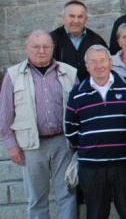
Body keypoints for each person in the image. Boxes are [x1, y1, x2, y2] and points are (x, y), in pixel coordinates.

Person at [0, 30, 77, 219]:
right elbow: (5, 115)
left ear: (52, 48)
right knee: (36, 199)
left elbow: (79, 109)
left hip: (63, 143)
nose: (41, 50)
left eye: (46, 46)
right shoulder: (13, 75)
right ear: (26, 48)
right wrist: (11, 146)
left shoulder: (69, 72)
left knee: (67, 195)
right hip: (31, 146)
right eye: (36, 46)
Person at [64, 45, 126, 219]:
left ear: (110, 62)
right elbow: (71, 128)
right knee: (96, 214)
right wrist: (90, 146)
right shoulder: (77, 93)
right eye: (93, 62)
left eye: (102, 60)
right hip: (92, 166)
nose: (99, 65)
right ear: (86, 66)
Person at [51, 0, 108, 81]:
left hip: (90, 87)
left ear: (86, 19)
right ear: (63, 17)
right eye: (72, 16)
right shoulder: (51, 40)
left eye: (80, 16)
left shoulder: (97, 41)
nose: (76, 21)